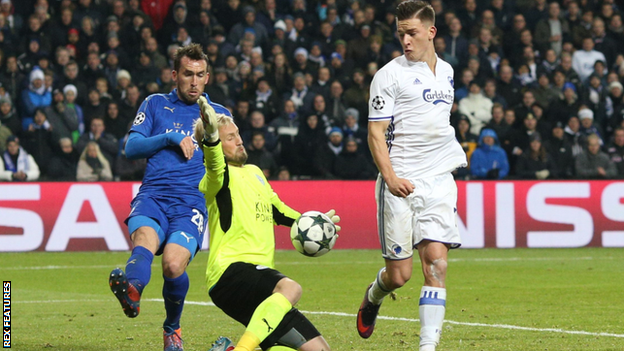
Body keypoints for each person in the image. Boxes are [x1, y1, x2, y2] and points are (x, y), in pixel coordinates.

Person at [357, 2, 467, 351]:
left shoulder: (447, 71)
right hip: (400, 182)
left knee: (436, 262)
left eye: (412, 33)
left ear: (431, 32)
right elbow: (376, 134)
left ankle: (427, 346)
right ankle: (374, 295)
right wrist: (389, 178)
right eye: (401, 33)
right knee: (399, 276)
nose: (405, 40)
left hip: (439, 179)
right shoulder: (389, 75)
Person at [107, 43, 229, 351]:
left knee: (174, 266)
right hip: (153, 196)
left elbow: (234, 162)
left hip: (190, 204)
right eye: (187, 74)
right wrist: (170, 138)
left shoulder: (219, 116)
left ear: (208, 78)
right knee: (144, 242)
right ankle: (131, 293)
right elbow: (131, 148)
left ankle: (172, 328)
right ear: (175, 75)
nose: (193, 81)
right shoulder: (155, 104)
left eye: (200, 75)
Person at [193, 99, 340, 351]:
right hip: (231, 272)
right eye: (229, 138)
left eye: (238, 134)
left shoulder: (255, 172)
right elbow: (215, 163)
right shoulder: (216, 179)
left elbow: (278, 211)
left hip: (262, 284)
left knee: (319, 349)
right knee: (290, 288)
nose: (239, 140)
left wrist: (313, 224)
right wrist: (210, 136)